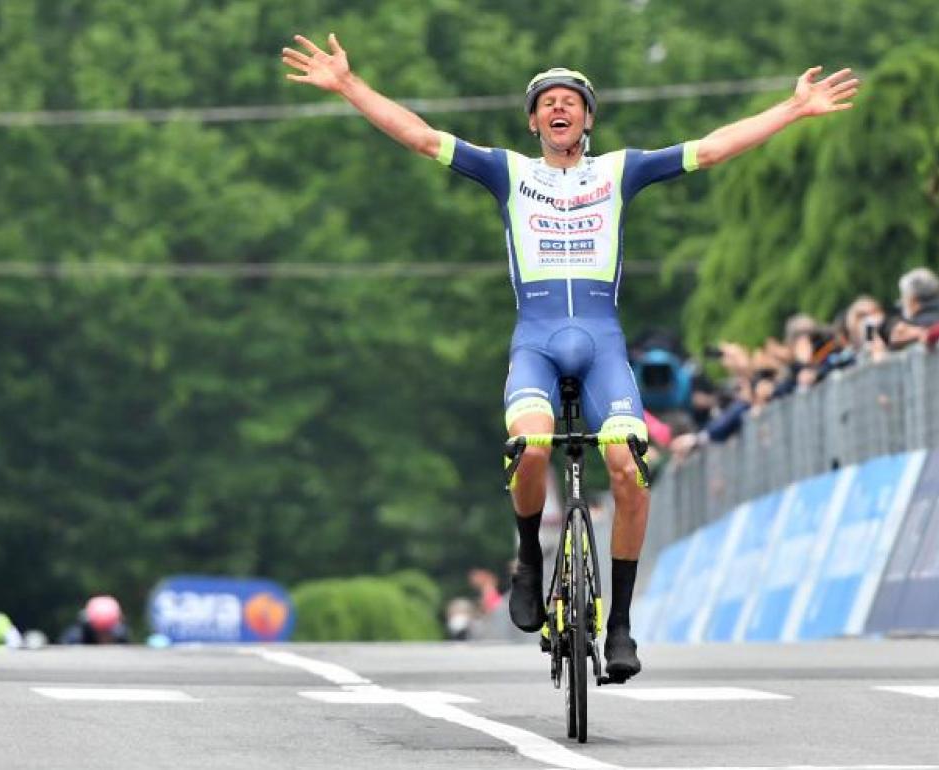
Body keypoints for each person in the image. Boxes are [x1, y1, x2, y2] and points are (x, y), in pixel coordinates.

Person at [282, 34, 859, 682]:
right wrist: (349, 86)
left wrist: (793, 108)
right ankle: (530, 559)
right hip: (536, 338)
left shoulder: (619, 170)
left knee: (629, 470)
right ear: (533, 121)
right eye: (548, 103)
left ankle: (619, 626)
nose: (560, 110)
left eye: (572, 102)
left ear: (588, 118)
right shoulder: (508, 172)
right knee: (530, 449)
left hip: (602, 344)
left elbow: (714, 147)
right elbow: (421, 137)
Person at [59, 595, 130, 645]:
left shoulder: (121, 636)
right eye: (100, 632)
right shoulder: (75, 639)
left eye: (107, 632)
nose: (104, 638)